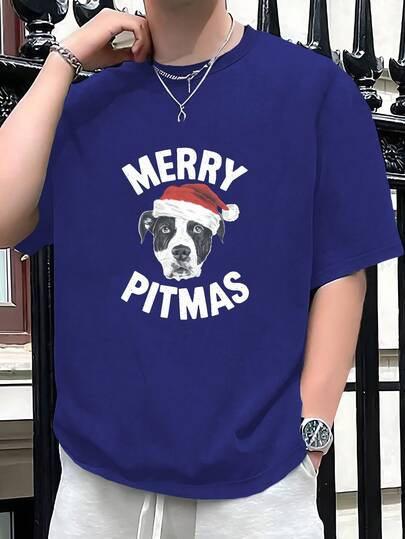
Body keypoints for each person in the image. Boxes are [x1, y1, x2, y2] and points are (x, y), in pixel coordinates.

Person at [1, 1, 403, 537]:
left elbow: (343, 270)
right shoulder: (88, 107)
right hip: (98, 479)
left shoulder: (313, 91)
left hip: (259, 486)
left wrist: (312, 435)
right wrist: (61, 61)